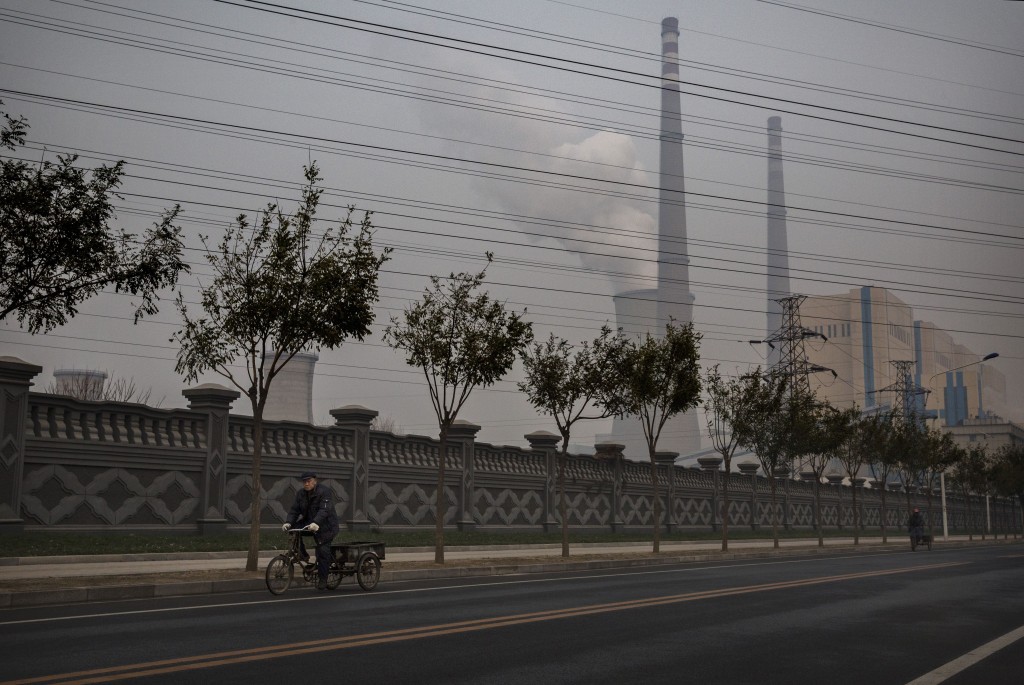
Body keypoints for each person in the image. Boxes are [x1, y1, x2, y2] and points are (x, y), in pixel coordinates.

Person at [282, 471, 339, 590]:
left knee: (322, 551)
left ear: (314, 481)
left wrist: (316, 522)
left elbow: (324, 511)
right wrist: (288, 522)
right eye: (304, 482)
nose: (306, 484)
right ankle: (302, 554)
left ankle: (323, 579)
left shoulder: (324, 492)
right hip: (309, 522)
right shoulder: (301, 494)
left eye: (308, 481)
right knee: (294, 530)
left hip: (326, 526)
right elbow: (294, 510)